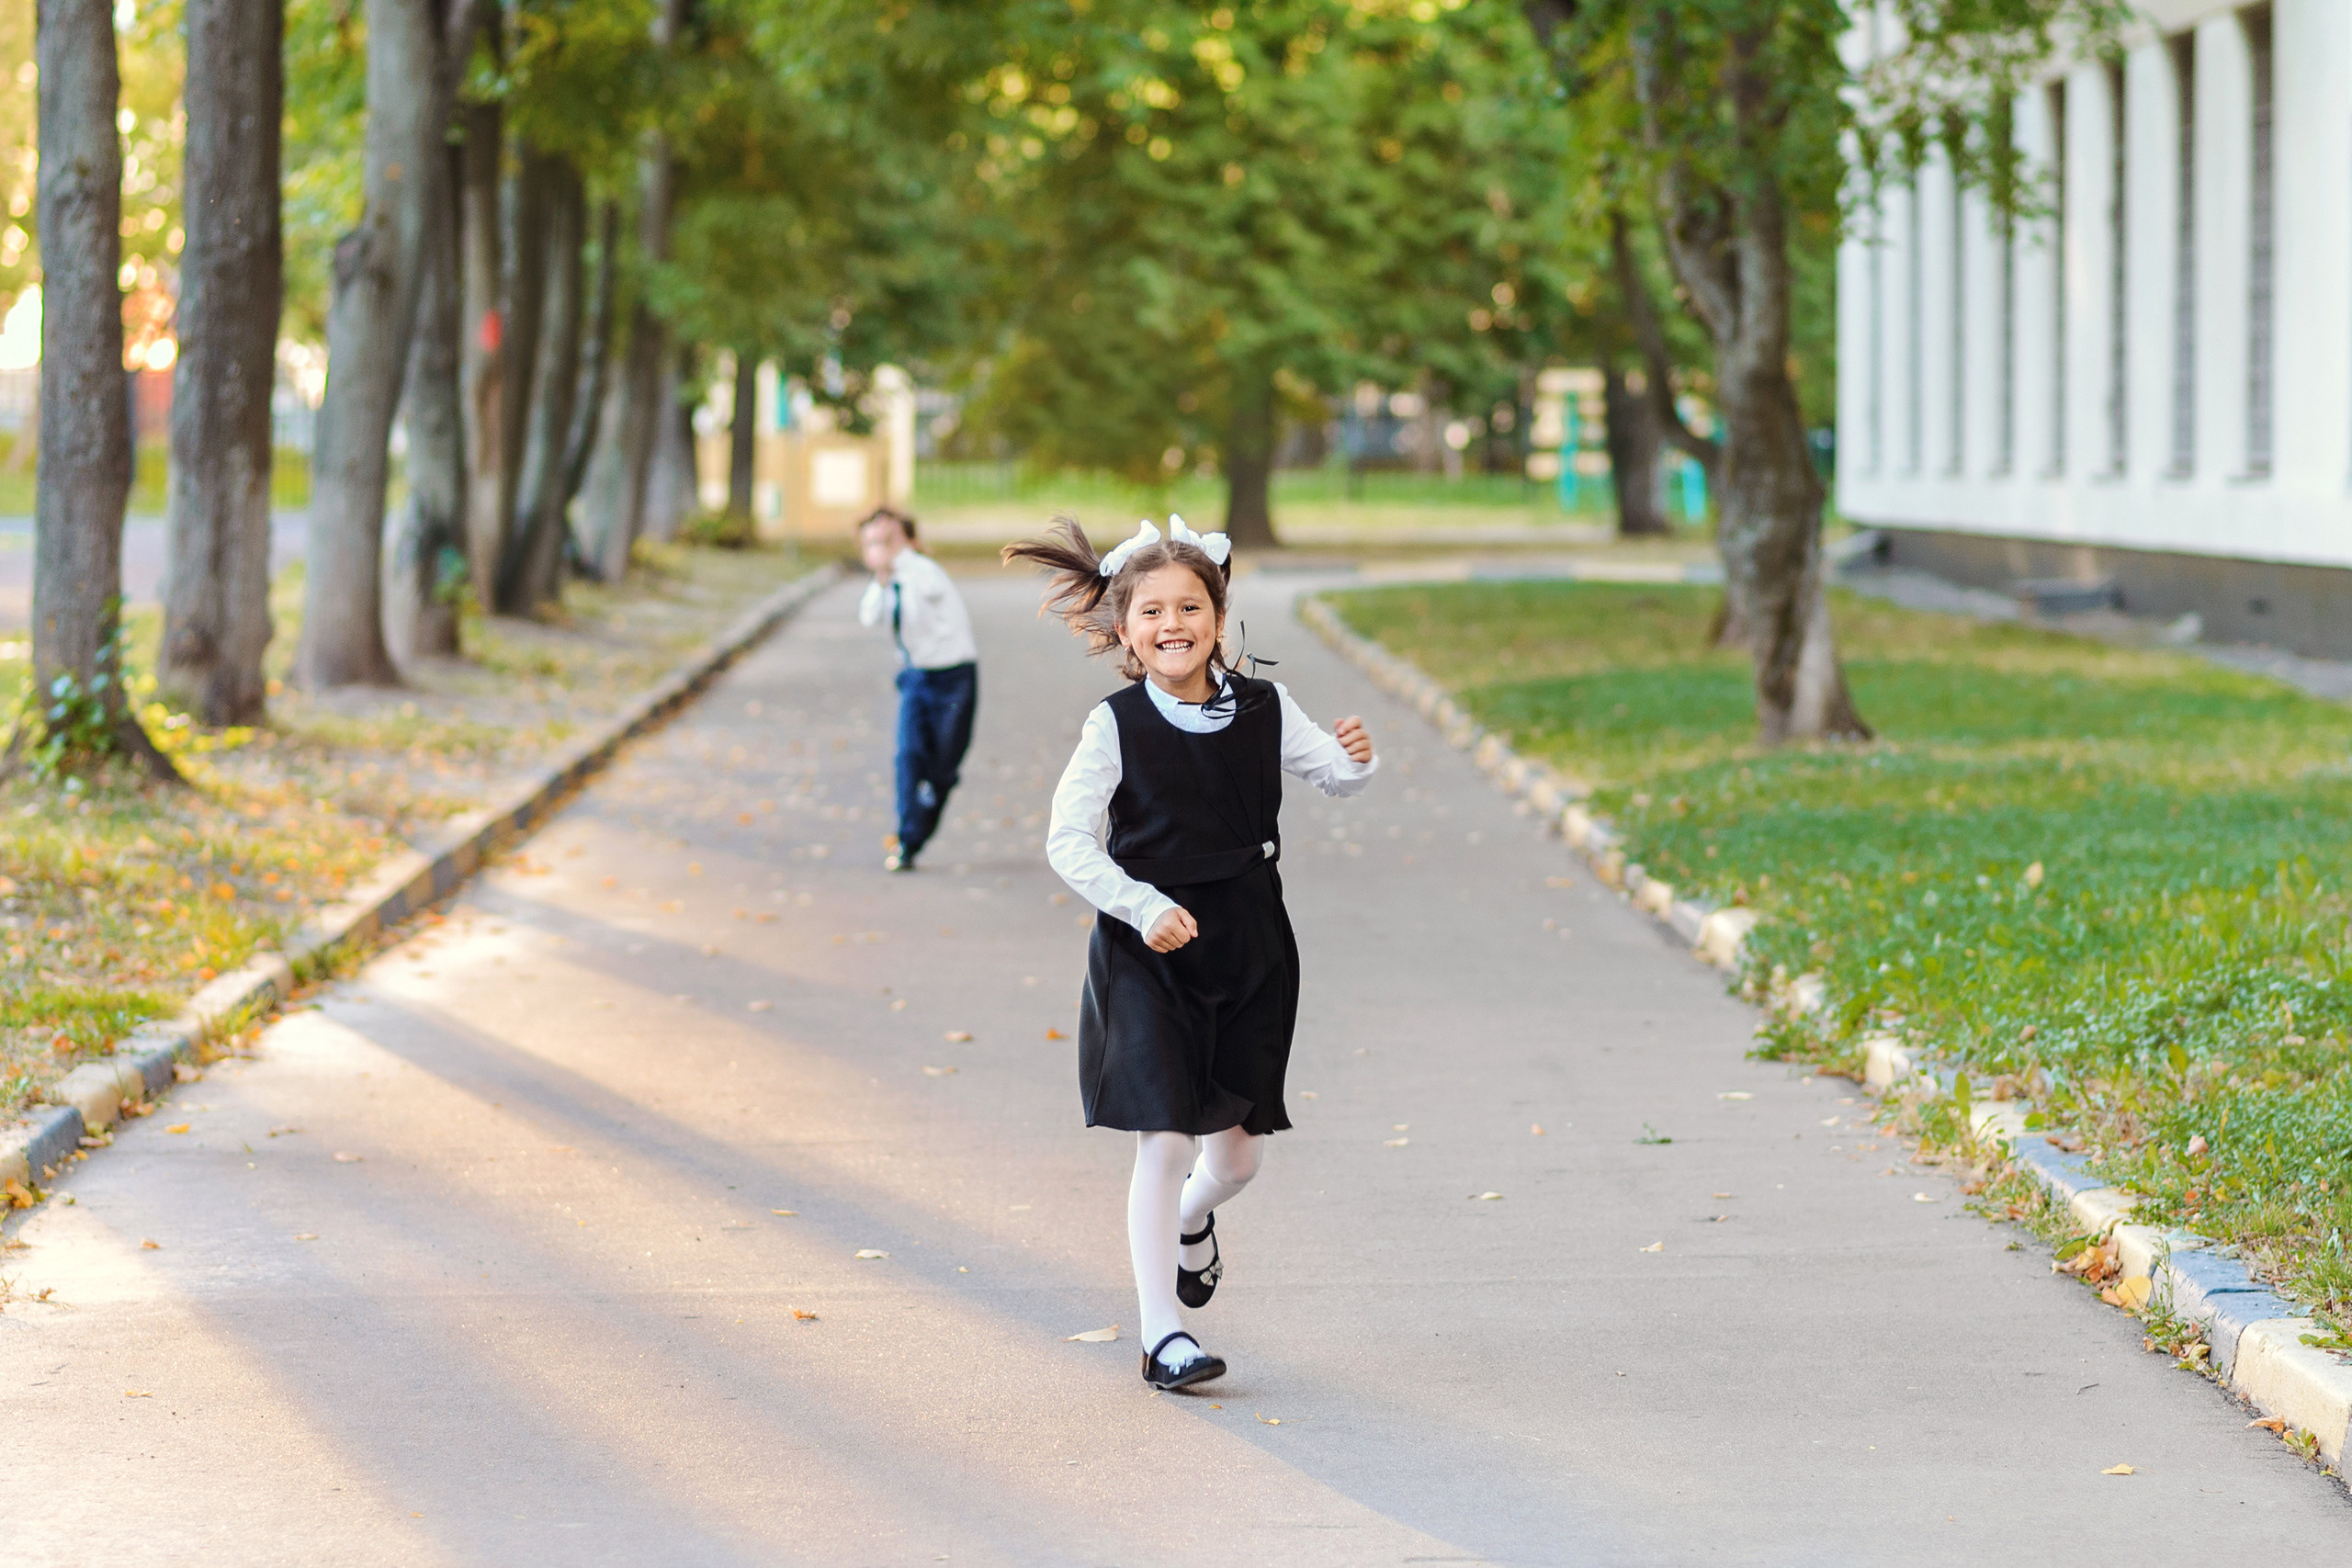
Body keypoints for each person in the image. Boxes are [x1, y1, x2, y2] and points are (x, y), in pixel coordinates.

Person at [1004, 513, 1376, 1391]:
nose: (1173, 623)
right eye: (1152, 612)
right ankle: (1162, 1334)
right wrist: (1140, 905)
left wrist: (1359, 762)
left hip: (1250, 946)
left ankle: (1189, 1222)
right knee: (1164, 1138)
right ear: (1125, 628)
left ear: (1218, 613)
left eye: (1191, 606)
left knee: (1236, 1159)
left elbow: (1334, 774)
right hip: (1150, 950)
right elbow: (1069, 841)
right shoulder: (1114, 726)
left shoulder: (1266, 708)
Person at [856, 506, 978, 873]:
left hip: (954, 678)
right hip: (916, 677)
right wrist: (882, 574)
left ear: (908, 541)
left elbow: (925, 587)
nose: (880, 548)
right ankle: (907, 839)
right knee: (908, 755)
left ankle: (921, 824)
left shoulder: (926, 572)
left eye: (887, 540)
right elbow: (869, 616)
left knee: (942, 765)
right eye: (872, 543)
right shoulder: (887, 580)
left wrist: (897, 554)